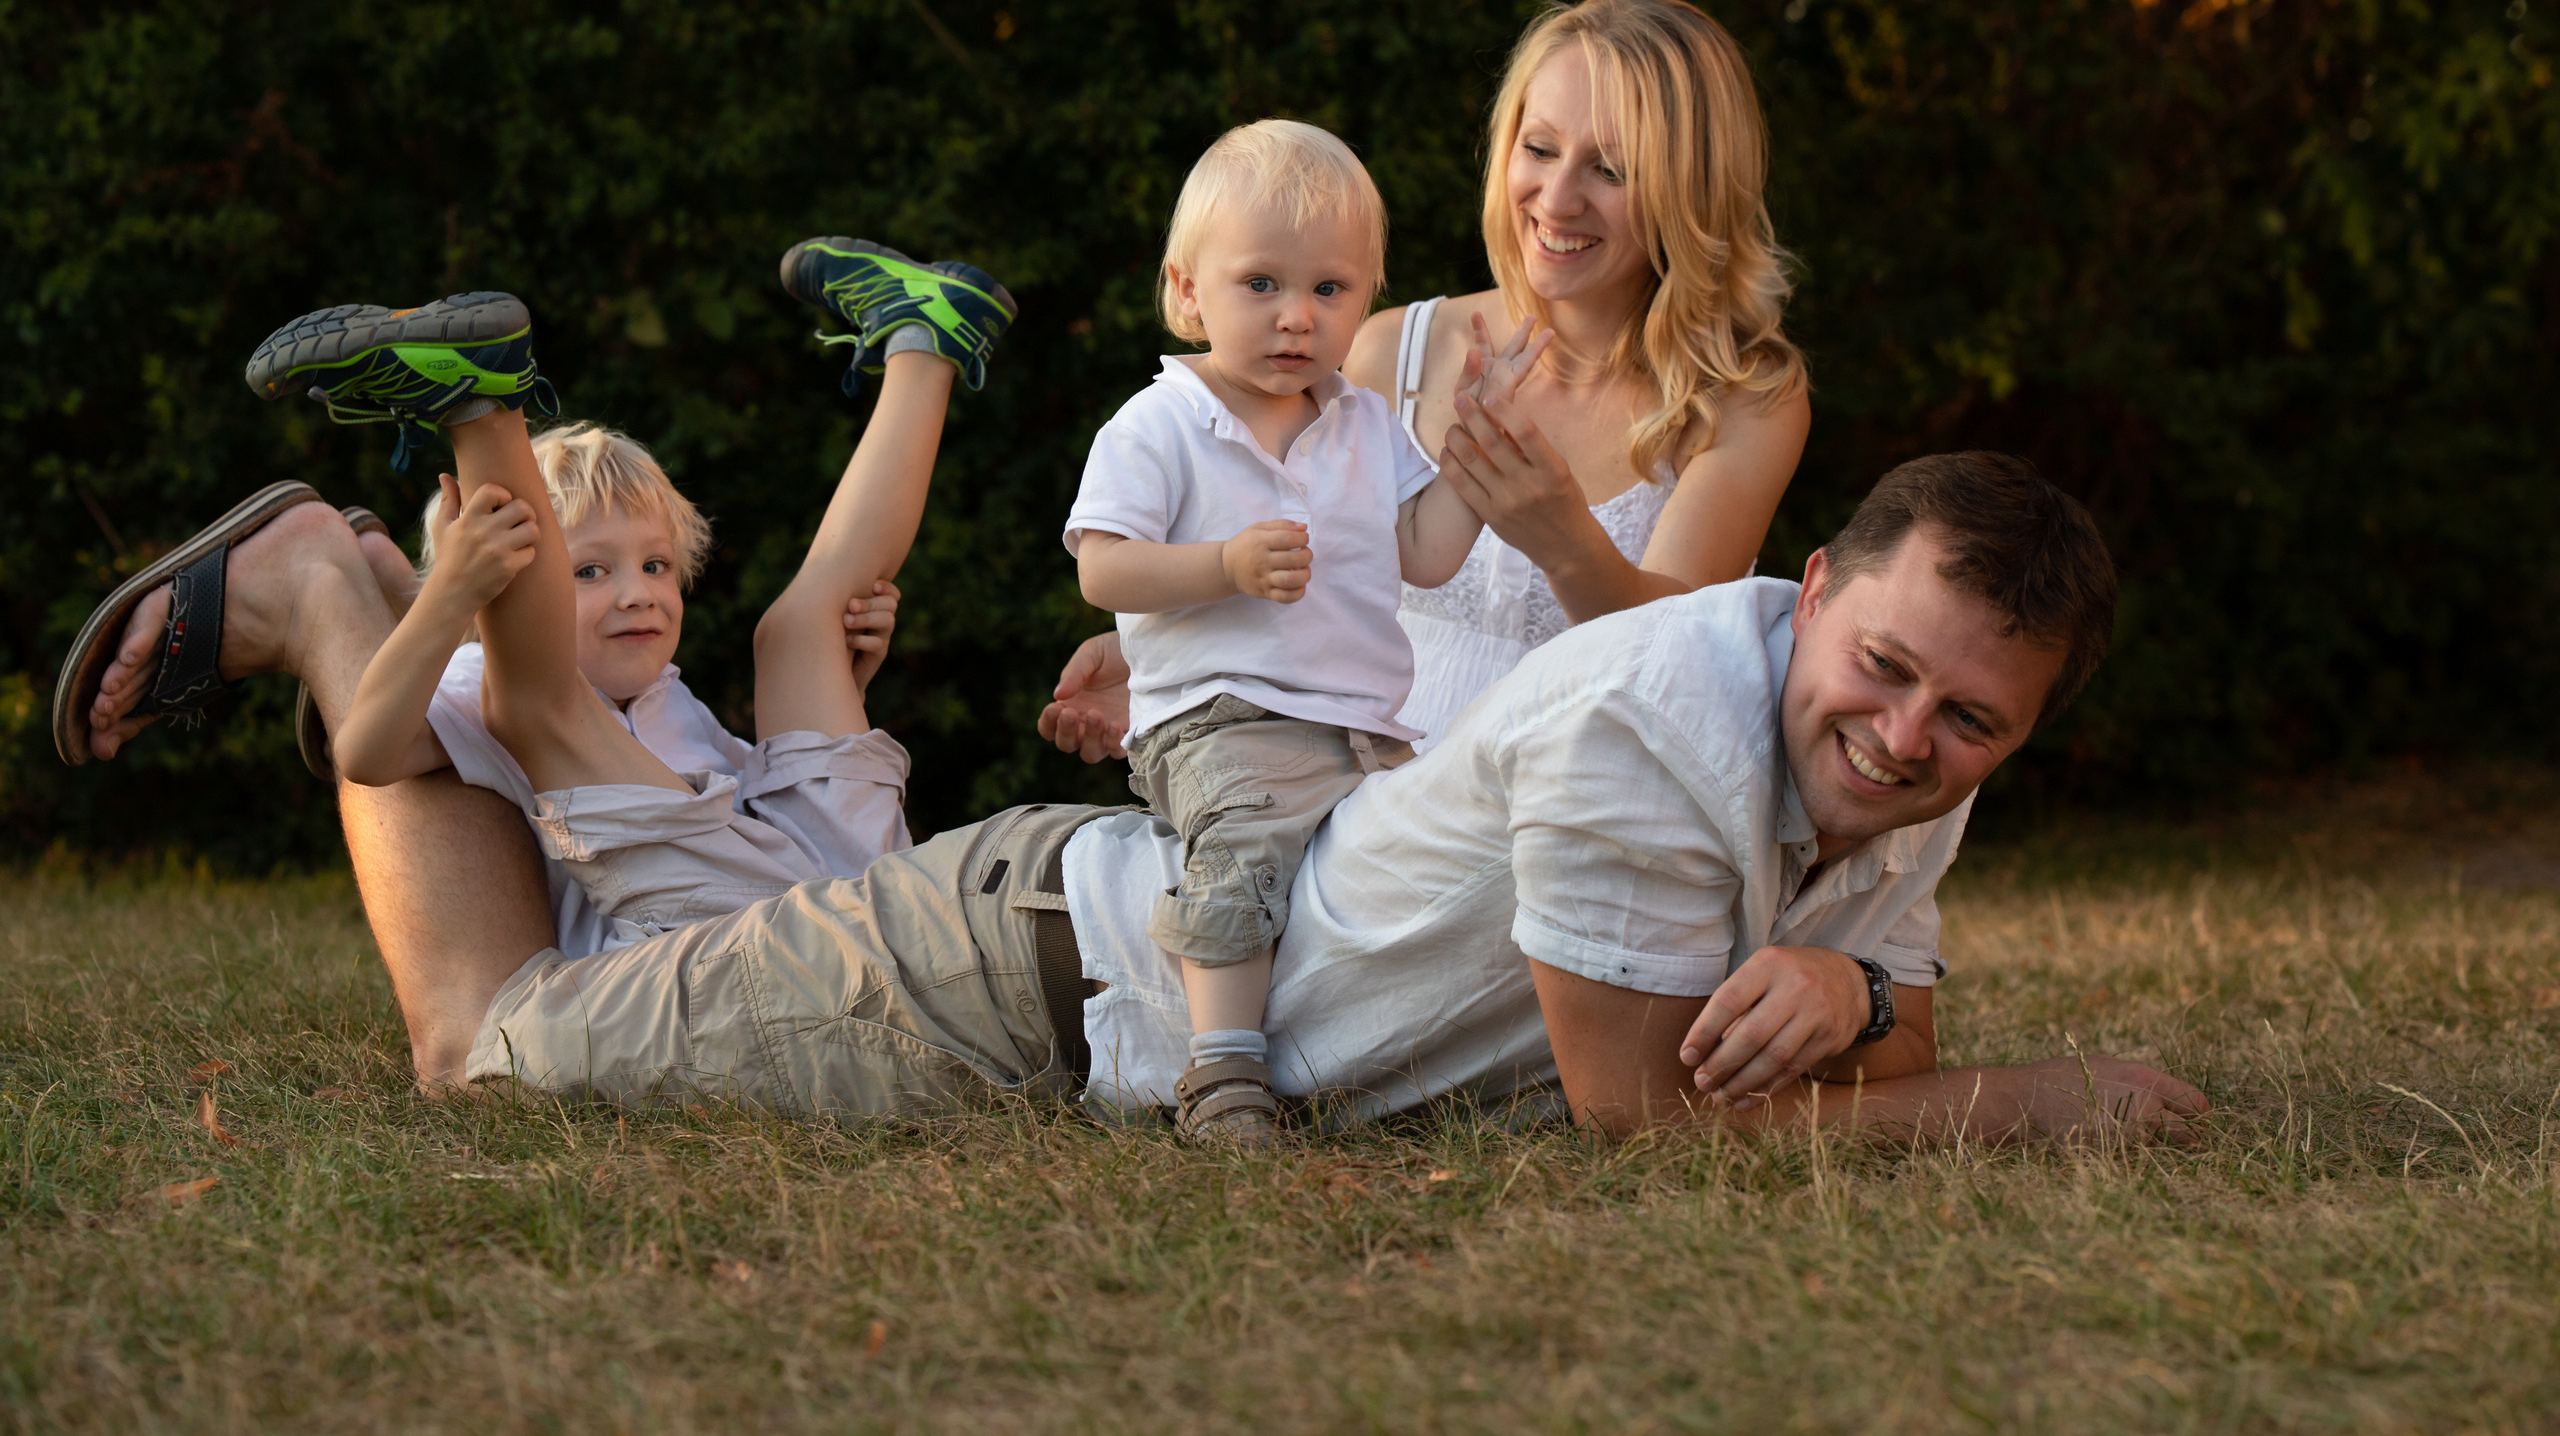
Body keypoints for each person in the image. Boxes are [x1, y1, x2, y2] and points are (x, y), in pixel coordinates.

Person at [284, 448, 2194, 1149]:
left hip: (1075, 972)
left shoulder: (1901, 760)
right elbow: (1649, 1119)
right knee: (488, 1047)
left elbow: (1881, 1021)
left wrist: (1858, 991)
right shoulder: (1660, 717)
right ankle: (318, 592)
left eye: (1971, 720)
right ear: (1815, 588)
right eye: (1885, 667)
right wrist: (2030, 1103)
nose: (1904, 738)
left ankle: (363, 587)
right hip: (1015, 979)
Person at [1041, 0, 1812, 762]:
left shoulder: (1745, 399)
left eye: (1609, 168)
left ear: (1691, 189)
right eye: (1540, 148)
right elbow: (1300, 566)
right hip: (1359, 794)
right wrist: (1166, 661)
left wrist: (1569, 542)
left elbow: (1675, 666)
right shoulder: (1385, 351)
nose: (1557, 197)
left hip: (1583, 803)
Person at [247, 243, 1015, 946]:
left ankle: (925, 334)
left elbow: (765, 818)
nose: (637, 593)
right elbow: (365, 751)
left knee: (797, 632)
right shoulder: (484, 680)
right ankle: (480, 403)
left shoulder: (674, 701)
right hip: (735, 932)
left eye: (655, 565)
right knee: (548, 688)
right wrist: (450, 596)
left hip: (836, 892)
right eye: (588, 571)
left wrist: (842, 688)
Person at [1066, 120, 1546, 1142]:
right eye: (1261, 285)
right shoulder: (1159, 423)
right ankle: (1222, 1070)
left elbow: (1424, 551)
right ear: (1187, 290)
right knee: (1244, 853)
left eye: (1330, 288)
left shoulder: (1364, 421)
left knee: (1388, 879)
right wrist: (1223, 566)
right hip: (1221, 716)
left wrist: (1475, 446)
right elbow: (1102, 566)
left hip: (1367, 725)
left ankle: (1375, 1054)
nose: (1297, 316)